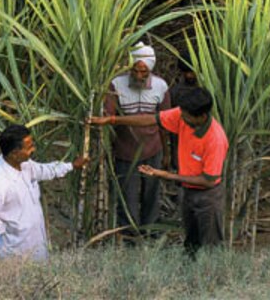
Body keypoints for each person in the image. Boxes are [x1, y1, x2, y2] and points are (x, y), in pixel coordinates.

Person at [88, 86, 228, 255]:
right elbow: (151, 119)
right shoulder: (183, 115)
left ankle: (214, 279)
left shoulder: (215, 139)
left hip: (208, 197)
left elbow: (209, 180)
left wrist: (165, 174)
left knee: (211, 247)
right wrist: (112, 120)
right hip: (189, 192)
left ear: (202, 116)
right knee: (191, 243)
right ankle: (190, 277)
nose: (181, 117)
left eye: (186, 115)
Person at [0, 124, 89, 263]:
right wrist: (10, 229)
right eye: (29, 147)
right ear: (15, 153)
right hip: (13, 257)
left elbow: (44, 170)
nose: (33, 149)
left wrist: (71, 166)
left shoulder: (25, 164)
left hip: (35, 247)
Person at [102, 43, 170, 236]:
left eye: (143, 72)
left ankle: (150, 231)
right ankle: (130, 235)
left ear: (150, 69)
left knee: (151, 193)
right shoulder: (116, 84)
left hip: (153, 149)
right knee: (128, 196)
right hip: (125, 151)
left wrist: (166, 153)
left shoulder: (161, 86)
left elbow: (165, 123)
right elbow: (108, 115)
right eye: (135, 70)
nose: (139, 75)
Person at [167, 50, 200, 171]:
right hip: (180, 140)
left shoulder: (206, 89)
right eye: (186, 72)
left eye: (192, 72)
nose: (189, 76)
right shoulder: (175, 92)